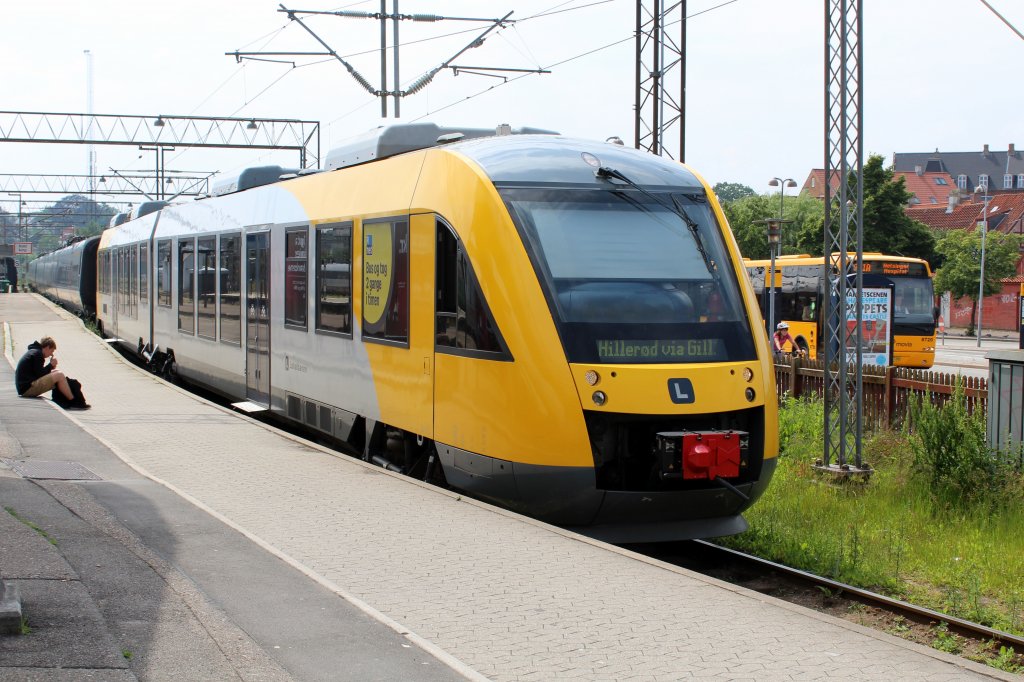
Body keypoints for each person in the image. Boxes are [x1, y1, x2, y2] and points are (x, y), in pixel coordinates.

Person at [15, 336, 76, 404]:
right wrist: (50, 365)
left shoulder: (34, 352)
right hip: (27, 389)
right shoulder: (38, 354)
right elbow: (40, 374)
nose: (51, 354)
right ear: (47, 348)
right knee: (59, 375)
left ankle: (64, 399)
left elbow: (38, 372)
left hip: (24, 387)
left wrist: (51, 367)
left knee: (56, 372)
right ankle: (74, 401)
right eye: (52, 351)